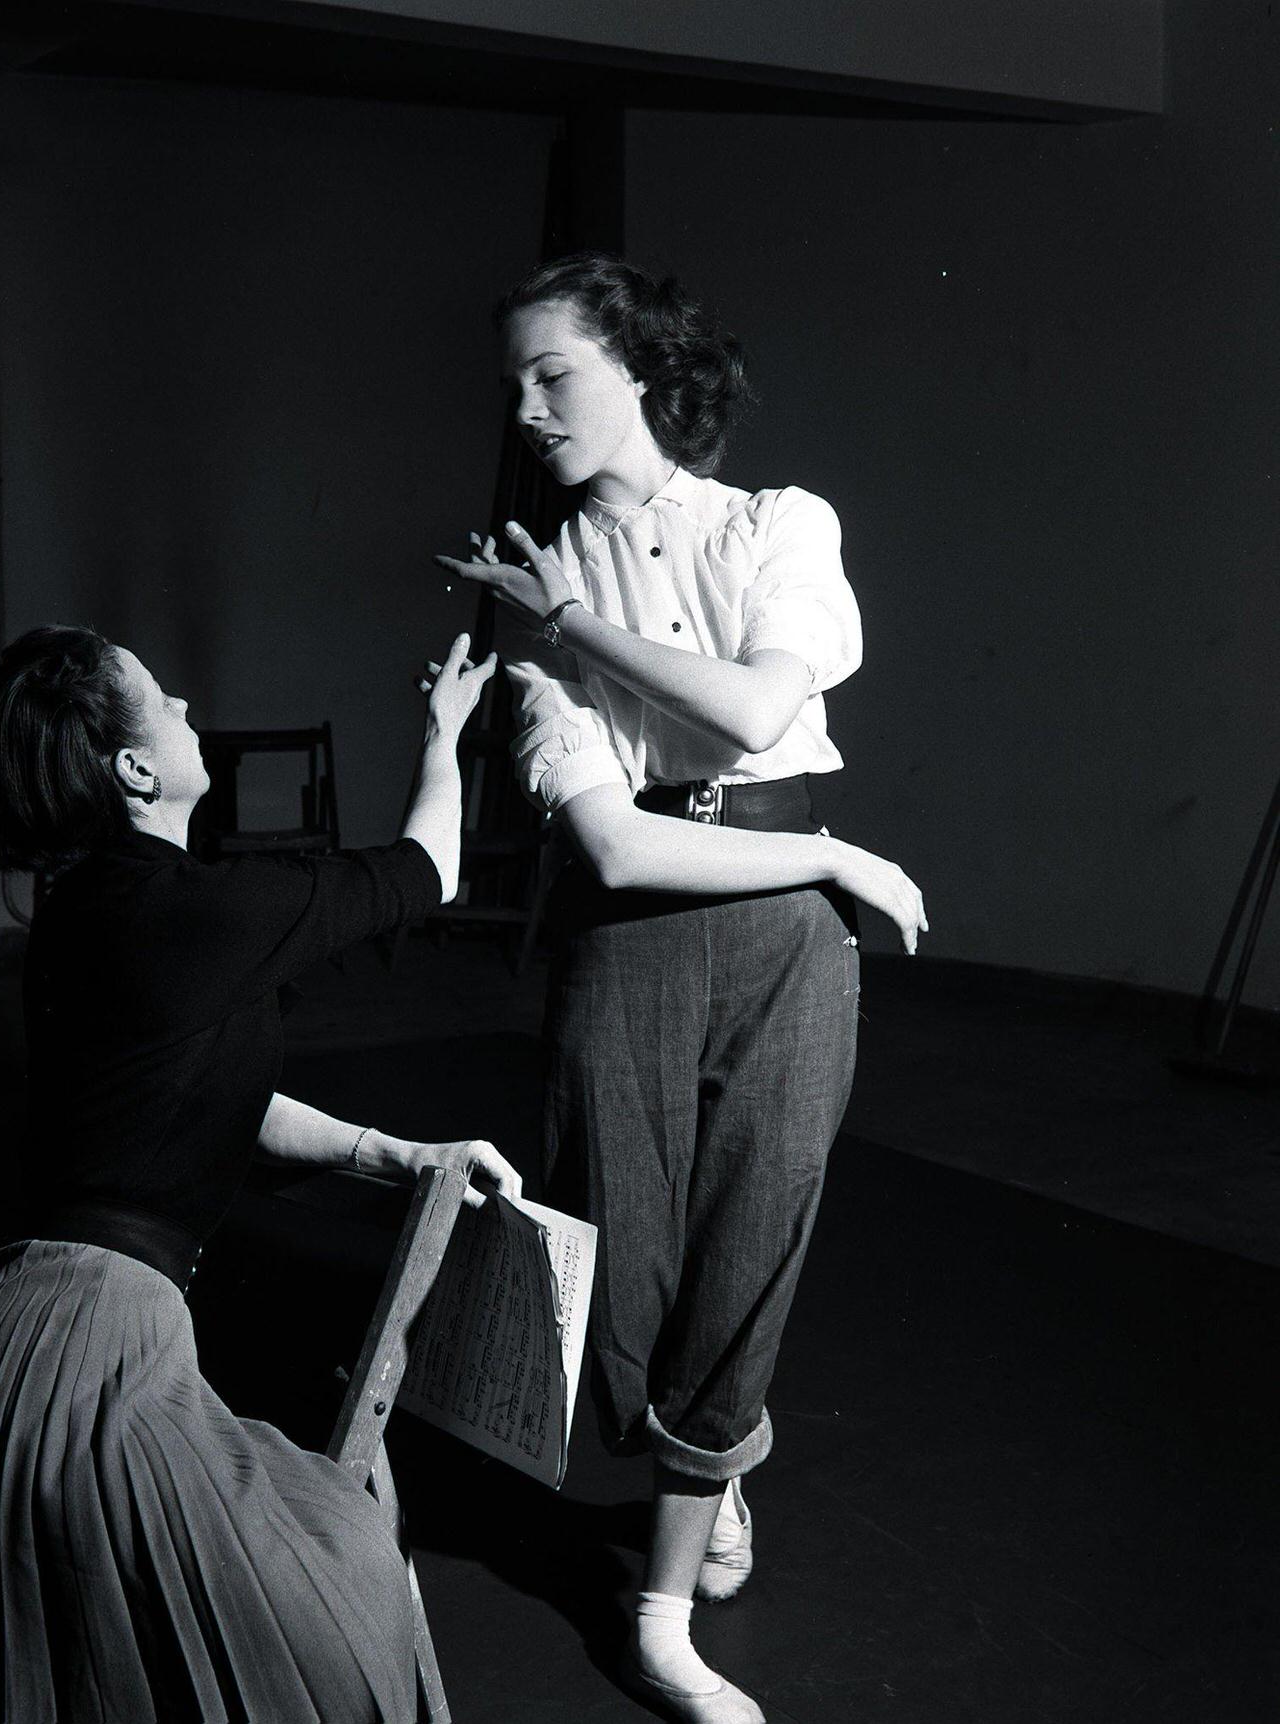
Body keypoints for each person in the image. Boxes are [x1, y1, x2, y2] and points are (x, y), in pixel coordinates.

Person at [436, 252, 926, 1724]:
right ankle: (719, 1447)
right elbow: (610, 840)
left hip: (790, 956)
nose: (527, 411)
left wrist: (576, 631)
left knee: (752, 1249)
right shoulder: (533, 597)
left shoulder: (778, 526)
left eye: (554, 375)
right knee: (623, 1299)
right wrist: (833, 847)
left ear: (640, 369)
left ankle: (658, 1622)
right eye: (512, 387)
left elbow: (762, 706)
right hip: (632, 938)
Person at [0, 623, 519, 1723]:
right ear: (136, 768)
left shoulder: (88, 915)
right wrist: (442, 735)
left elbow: (205, 1097)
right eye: (163, 697)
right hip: (95, 1360)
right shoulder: (199, 910)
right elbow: (428, 871)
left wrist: (395, 1155)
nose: (188, 706)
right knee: (345, 1602)